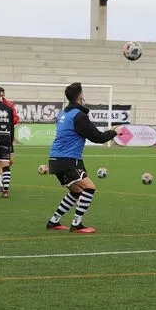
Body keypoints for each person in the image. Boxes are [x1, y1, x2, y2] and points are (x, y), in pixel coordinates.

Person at [45, 82, 120, 233]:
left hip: (56, 159)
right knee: (89, 188)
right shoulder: (79, 116)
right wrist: (114, 132)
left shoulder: (63, 113)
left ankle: (54, 221)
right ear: (80, 96)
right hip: (68, 159)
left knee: (76, 192)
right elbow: (98, 137)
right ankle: (76, 224)